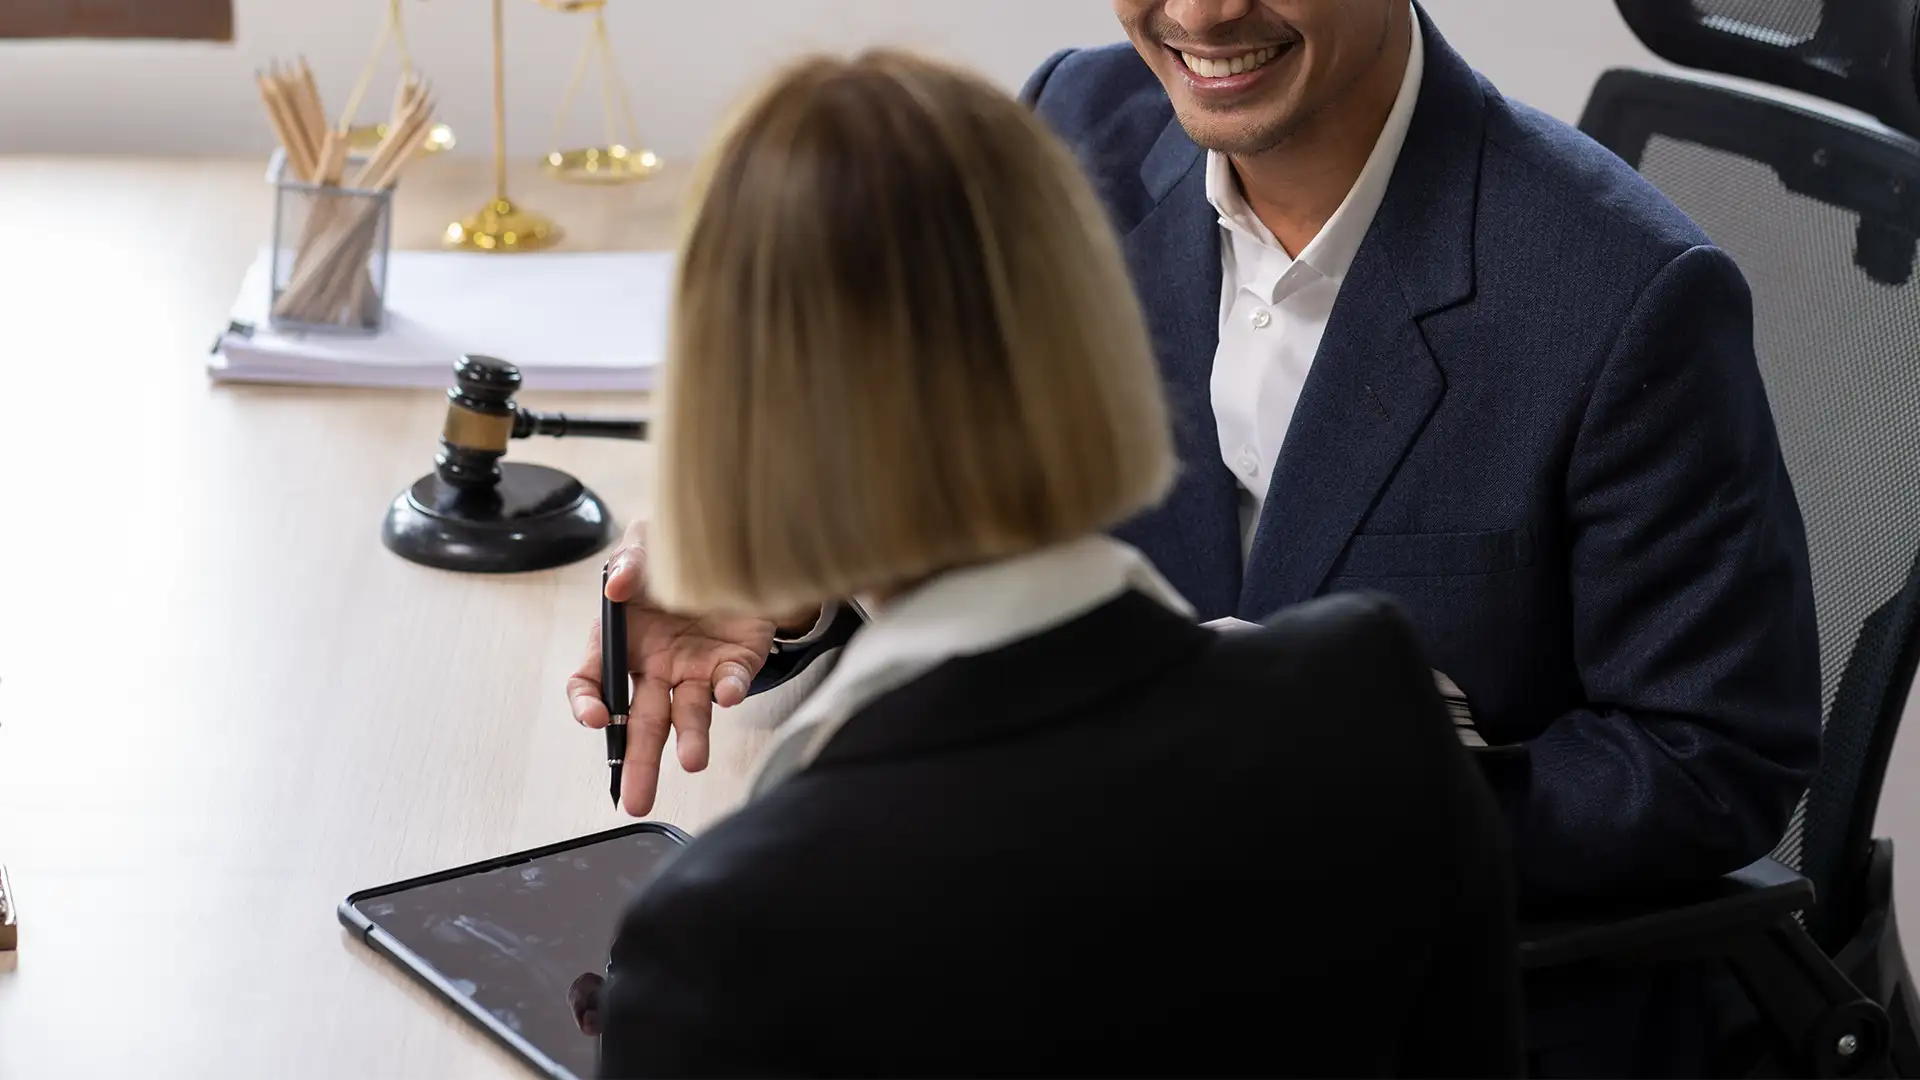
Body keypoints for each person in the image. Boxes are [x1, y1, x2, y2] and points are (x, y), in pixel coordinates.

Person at [567, 2, 1822, 1072]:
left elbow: (1714, 761)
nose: (1207, 11)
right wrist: (792, 576)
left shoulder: (1624, 297)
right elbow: (978, 488)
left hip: (1416, 1003)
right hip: (1042, 945)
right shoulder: (1076, 122)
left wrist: (1334, 807)